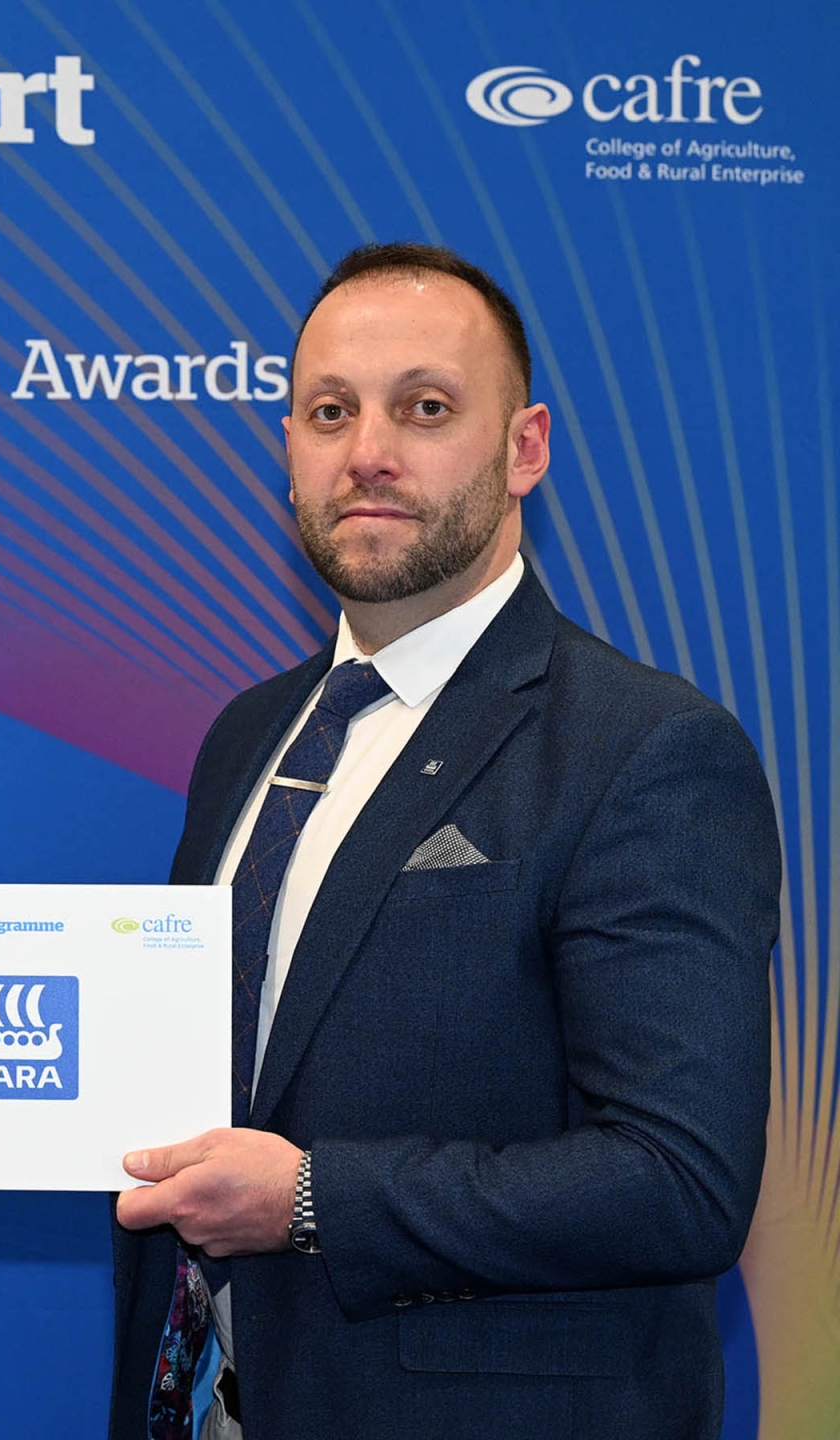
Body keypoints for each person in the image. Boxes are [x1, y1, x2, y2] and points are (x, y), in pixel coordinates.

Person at [108, 243, 779, 1439]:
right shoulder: (250, 735)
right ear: (289, 449)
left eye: (424, 408)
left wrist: (311, 1200)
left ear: (525, 448)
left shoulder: (647, 749)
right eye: (331, 412)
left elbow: (681, 1182)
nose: (368, 451)